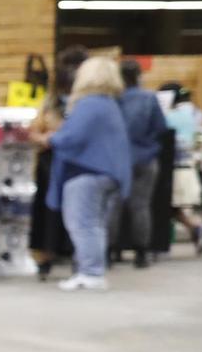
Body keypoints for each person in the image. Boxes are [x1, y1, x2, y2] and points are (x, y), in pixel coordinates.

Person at [46, 56, 133, 293]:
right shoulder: (109, 104)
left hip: (88, 172)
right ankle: (92, 270)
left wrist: (49, 138)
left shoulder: (89, 104)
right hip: (108, 173)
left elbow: (72, 137)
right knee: (94, 224)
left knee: (82, 224)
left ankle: (91, 273)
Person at [30, 47, 85, 278]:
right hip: (49, 162)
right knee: (47, 210)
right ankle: (45, 258)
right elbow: (35, 130)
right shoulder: (50, 101)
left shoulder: (86, 101)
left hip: (77, 161)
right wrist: (45, 139)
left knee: (77, 209)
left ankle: (77, 256)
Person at [116, 58, 166, 269]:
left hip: (118, 159)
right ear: (139, 76)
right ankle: (141, 253)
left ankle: (111, 251)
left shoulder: (115, 99)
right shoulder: (149, 98)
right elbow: (161, 127)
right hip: (146, 158)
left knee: (113, 206)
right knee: (141, 206)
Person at [162, 82, 202, 252]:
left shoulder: (170, 116)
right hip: (188, 166)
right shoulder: (195, 113)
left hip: (172, 167)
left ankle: (195, 228)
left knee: (168, 206)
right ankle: (195, 229)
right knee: (173, 207)